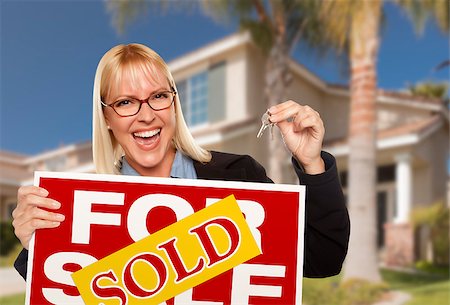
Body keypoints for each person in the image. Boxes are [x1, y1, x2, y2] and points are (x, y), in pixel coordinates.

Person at [12, 43, 349, 280]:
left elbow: (323, 258)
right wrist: (37, 247)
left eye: (158, 96)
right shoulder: (81, 211)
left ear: (174, 103)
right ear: (107, 119)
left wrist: (311, 163)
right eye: (127, 102)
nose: (146, 116)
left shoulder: (240, 176)